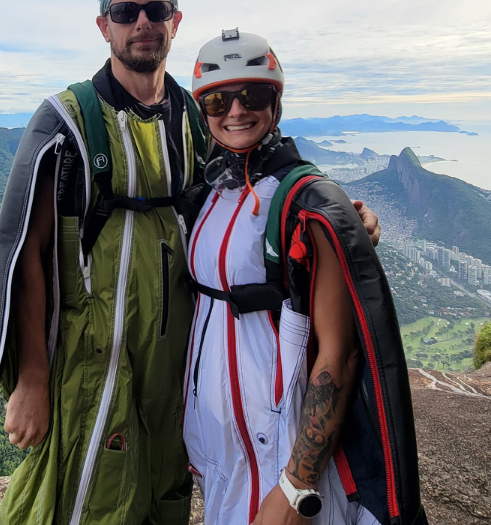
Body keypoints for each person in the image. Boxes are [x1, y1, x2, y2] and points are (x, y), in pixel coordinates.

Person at [0, 0, 383, 525]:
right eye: (125, 10)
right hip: (95, 353)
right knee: (84, 494)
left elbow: (255, 172)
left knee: (164, 490)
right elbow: (25, 250)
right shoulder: (69, 120)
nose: (141, 21)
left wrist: (337, 218)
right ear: (104, 25)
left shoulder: (195, 116)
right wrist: (31, 379)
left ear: (175, 20)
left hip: (178, 358)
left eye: (155, 8)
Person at [182, 30, 427, 525]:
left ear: (276, 101)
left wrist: (298, 483)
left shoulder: (305, 199)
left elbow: (340, 352)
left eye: (252, 96)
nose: (235, 111)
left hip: (277, 451)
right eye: (217, 101)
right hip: (222, 453)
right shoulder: (209, 188)